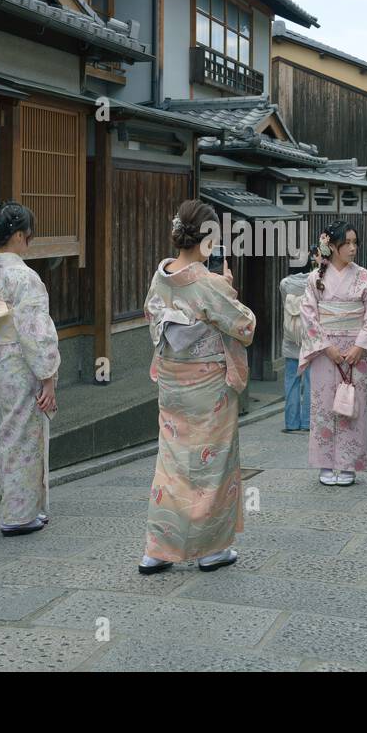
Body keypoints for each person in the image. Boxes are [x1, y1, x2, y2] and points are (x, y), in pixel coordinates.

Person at [139, 199, 256, 575]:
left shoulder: (160, 276)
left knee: (171, 463)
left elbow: (152, 317)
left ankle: (157, 549)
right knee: (212, 463)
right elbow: (245, 327)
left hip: (173, 381)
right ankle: (210, 550)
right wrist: (229, 291)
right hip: (208, 388)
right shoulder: (209, 284)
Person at [0, 202, 60, 536]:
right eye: (29, 234)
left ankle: (25, 508)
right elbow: (37, 332)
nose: (30, 240)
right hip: (21, 363)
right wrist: (48, 376)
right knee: (23, 436)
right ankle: (18, 516)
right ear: (19, 235)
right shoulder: (24, 277)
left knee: (13, 434)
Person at [299, 221, 367, 486]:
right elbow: (308, 315)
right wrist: (326, 346)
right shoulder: (316, 278)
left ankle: (348, 464)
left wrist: (361, 346)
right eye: (347, 243)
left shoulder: (363, 276)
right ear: (332, 246)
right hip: (325, 352)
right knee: (323, 406)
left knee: (353, 408)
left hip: (356, 350)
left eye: (355, 242)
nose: (353, 248)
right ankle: (325, 463)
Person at [279, 246, 318, 434]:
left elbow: (284, 302)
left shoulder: (285, 284)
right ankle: (307, 423)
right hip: (309, 339)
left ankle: (291, 423)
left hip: (290, 339)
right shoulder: (314, 281)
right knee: (310, 381)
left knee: (291, 381)